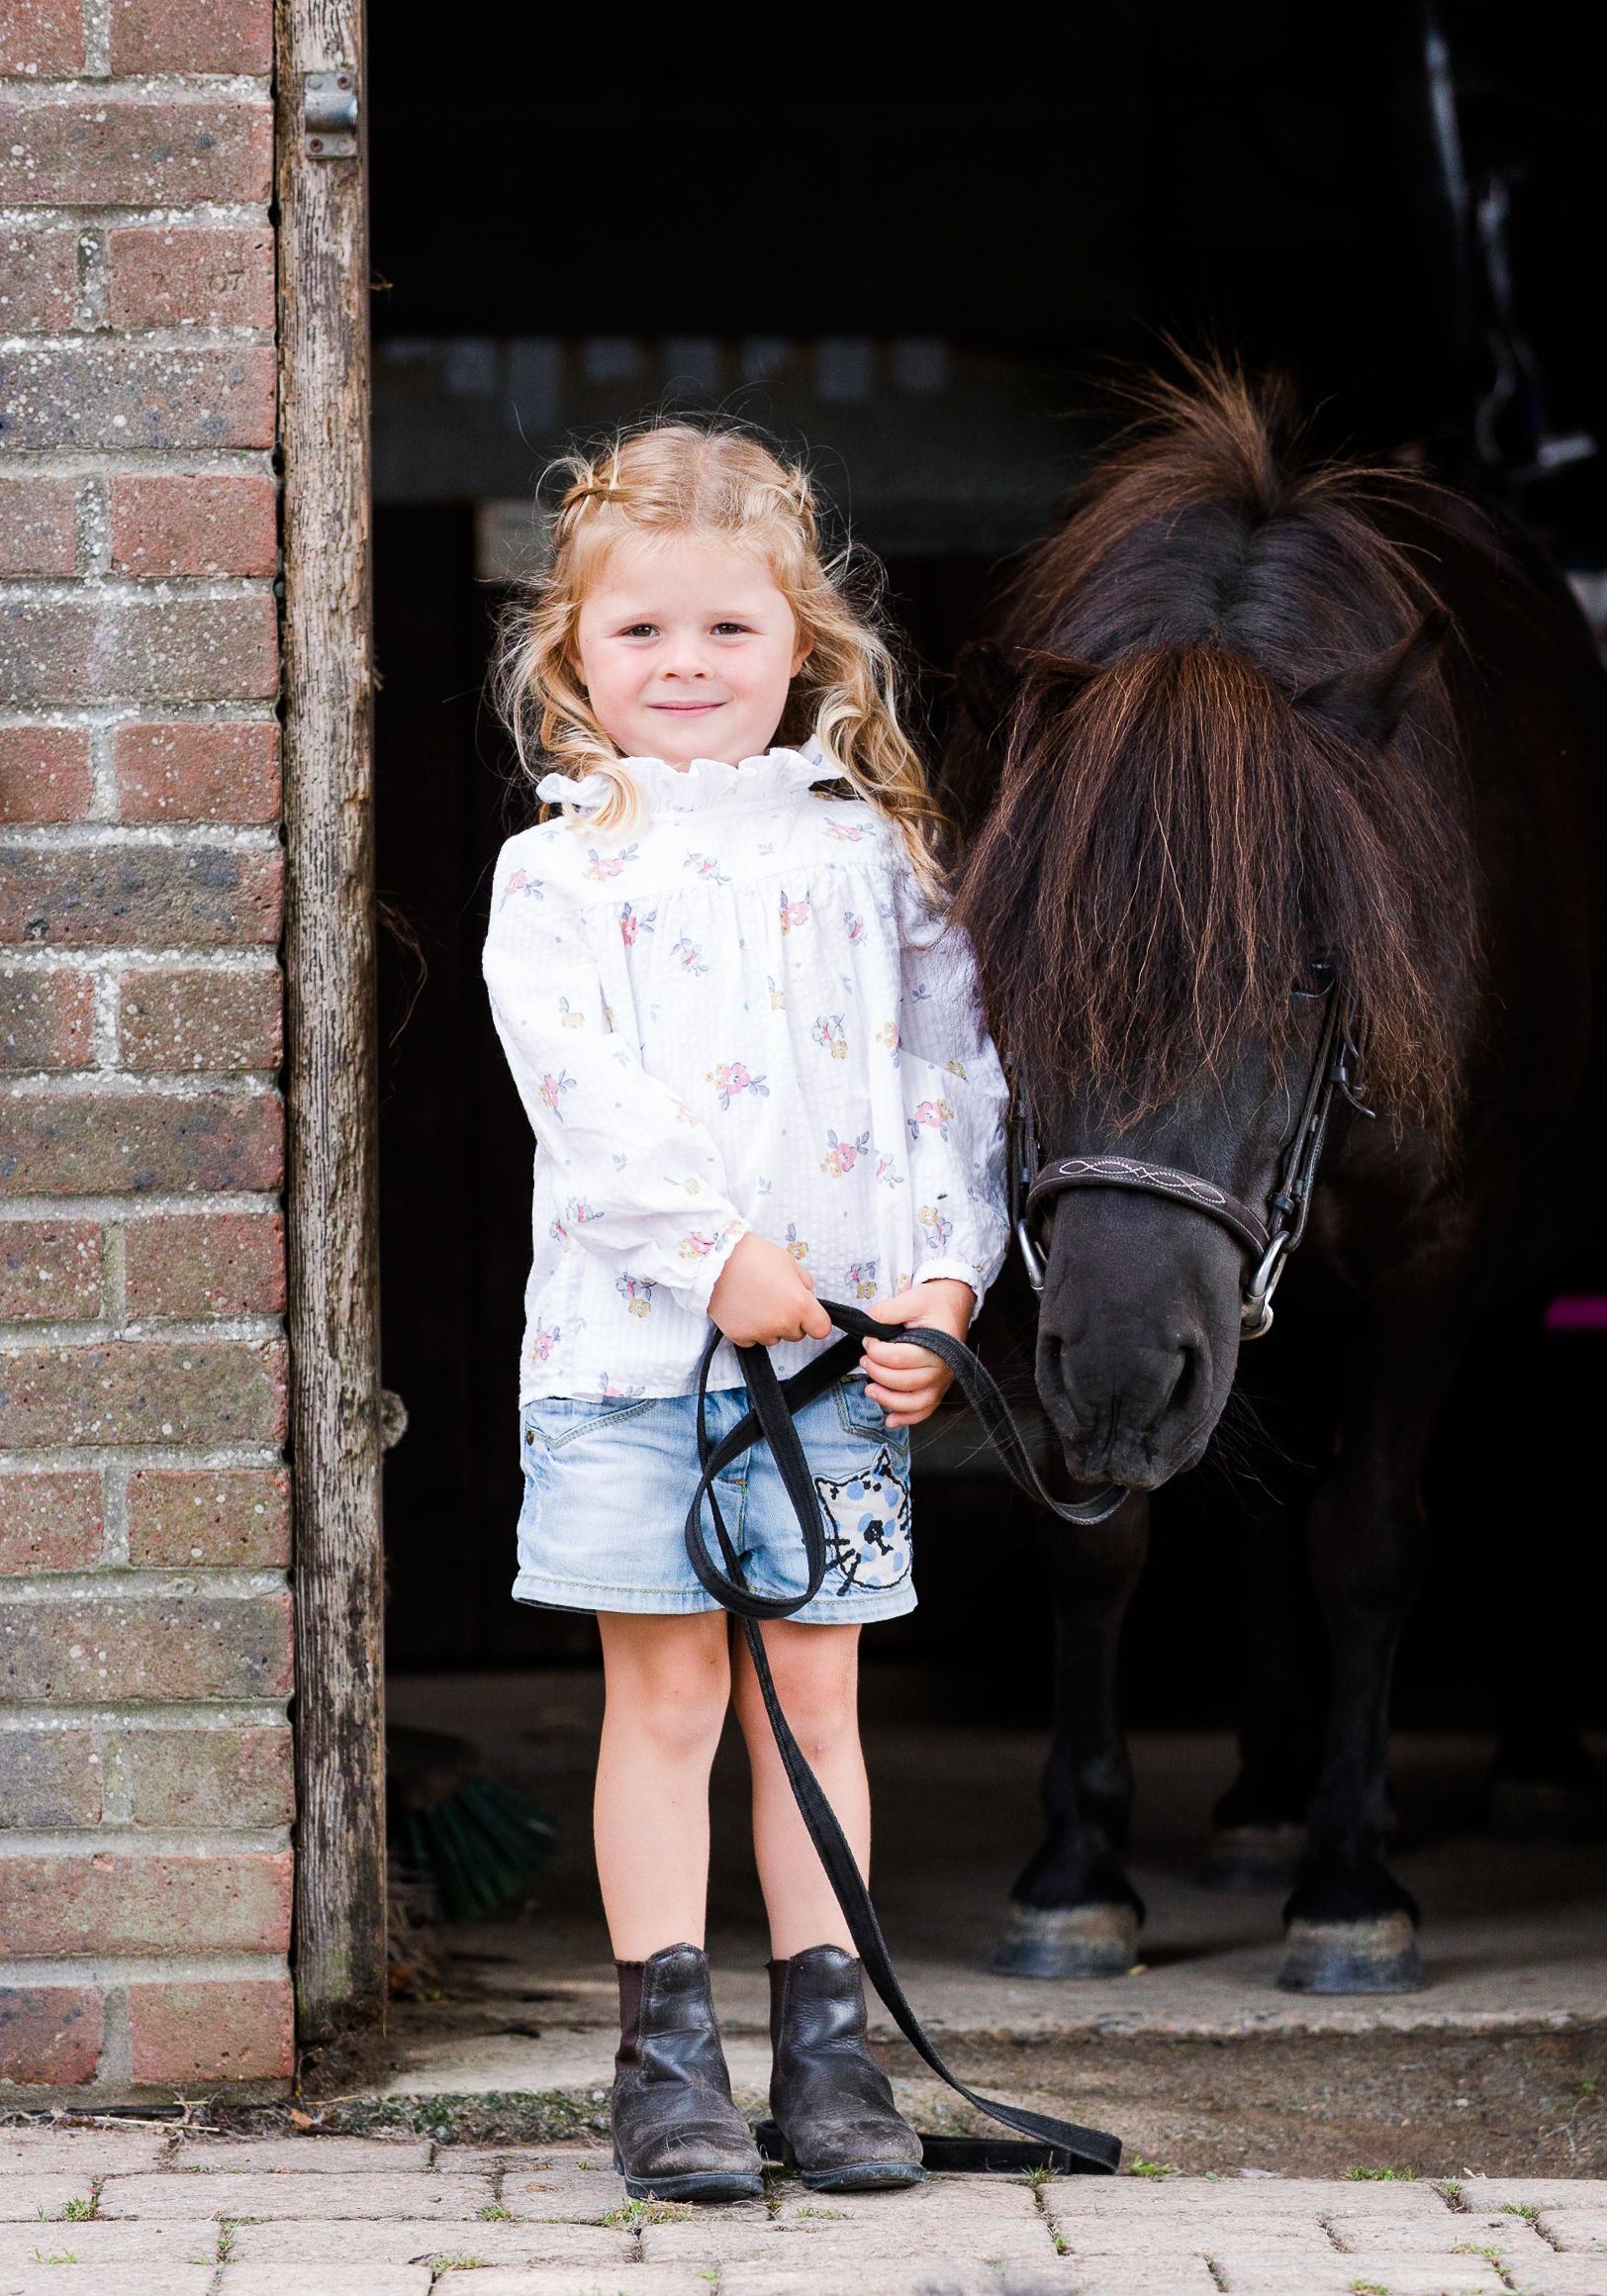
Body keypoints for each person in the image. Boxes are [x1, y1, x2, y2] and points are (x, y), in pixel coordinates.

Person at [483, 423, 1009, 2203]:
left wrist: (942, 1277)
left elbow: (955, 1078)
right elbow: (588, 1103)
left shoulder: (870, 856)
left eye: (727, 631)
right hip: (635, 1365)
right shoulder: (561, 875)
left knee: (817, 1692)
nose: (686, 667)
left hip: (844, 1371)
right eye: (641, 636)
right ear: (573, 656)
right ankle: (666, 2063)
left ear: (804, 645)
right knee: (665, 1702)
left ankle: (834, 2055)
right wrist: (717, 1260)